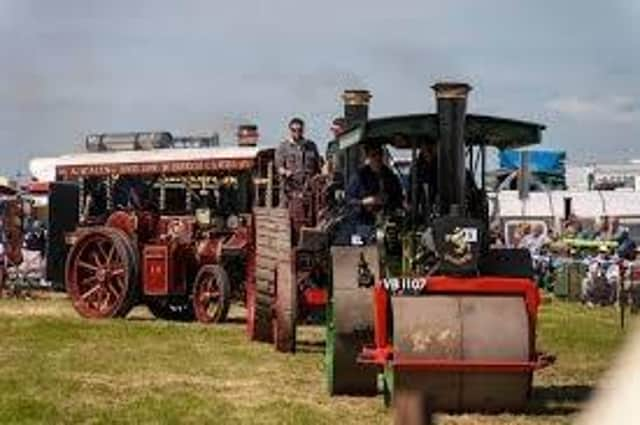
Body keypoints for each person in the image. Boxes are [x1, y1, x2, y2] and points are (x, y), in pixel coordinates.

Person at [346, 143, 404, 225]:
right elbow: (348, 201)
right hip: (365, 223)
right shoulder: (358, 177)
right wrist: (364, 202)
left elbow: (399, 198)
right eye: (373, 155)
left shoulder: (390, 176)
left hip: (387, 221)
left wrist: (387, 199)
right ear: (367, 157)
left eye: (380, 154)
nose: (378, 158)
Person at [275, 117, 321, 200]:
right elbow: (279, 166)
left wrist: (317, 177)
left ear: (303, 130)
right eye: (294, 130)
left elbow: (318, 166)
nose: (297, 132)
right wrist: (285, 172)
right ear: (290, 130)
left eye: (299, 130)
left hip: (309, 188)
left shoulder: (311, 145)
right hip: (291, 188)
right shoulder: (283, 147)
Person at [408, 144, 438, 222]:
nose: (428, 151)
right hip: (422, 207)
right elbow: (412, 189)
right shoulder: (417, 168)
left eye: (430, 148)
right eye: (426, 149)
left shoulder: (443, 166)